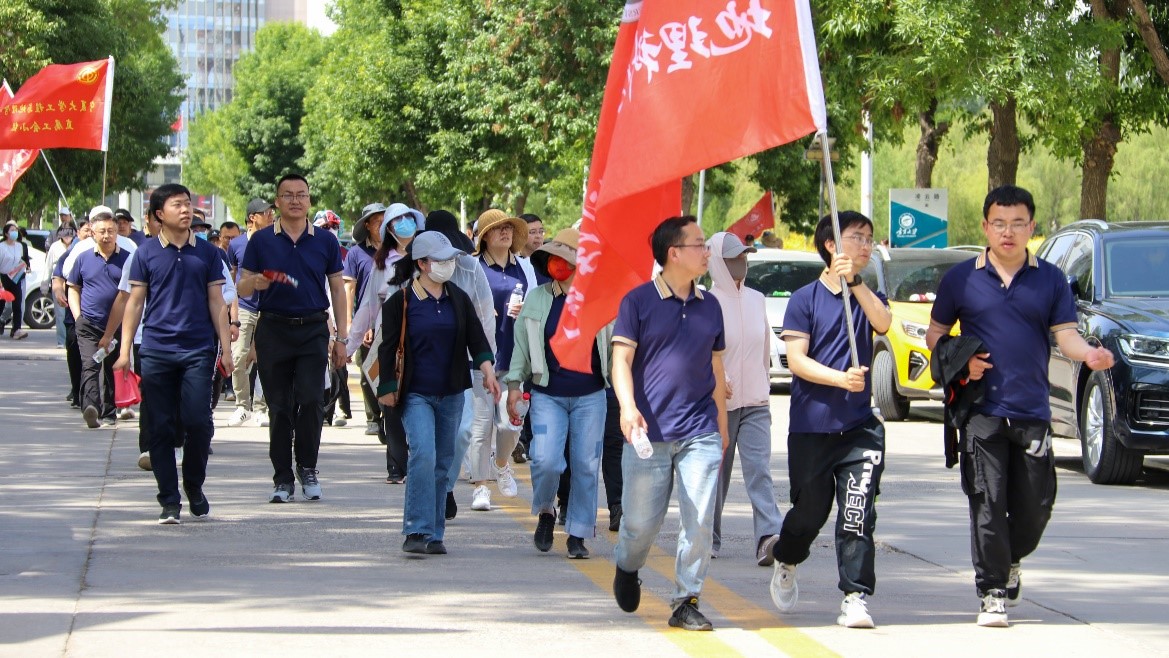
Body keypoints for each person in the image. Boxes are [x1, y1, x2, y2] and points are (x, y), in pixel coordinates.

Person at [926, 185, 1115, 628]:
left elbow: (1066, 336)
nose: (1007, 232)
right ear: (985, 226)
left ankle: (1010, 559)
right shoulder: (961, 279)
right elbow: (935, 335)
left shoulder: (1050, 279)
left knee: (1035, 507)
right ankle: (992, 591)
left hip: (1032, 410)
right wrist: (961, 361)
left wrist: (1089, 354)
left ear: (1031, 227)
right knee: (987, 502)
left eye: (1017, 224)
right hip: (981, 412)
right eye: (999, 223)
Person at [767, 211, 891, 629]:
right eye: (857, 237)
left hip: (860, 428)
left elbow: (883, 323)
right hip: (813, 427)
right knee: (810, 513)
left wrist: (855, 283)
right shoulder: (804, 299)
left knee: (857, 513)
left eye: (869, 238)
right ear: (831, 245)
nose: (865, 245)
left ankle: (855, 595)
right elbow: (797, 360)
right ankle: (786, 557)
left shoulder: (866, 294)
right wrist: (840, 378)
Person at [610, 215, 729, 632]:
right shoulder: (637, 302)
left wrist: (722, 425)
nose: (707, 251)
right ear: (674, 253)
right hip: (648, 432)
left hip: (700, 430)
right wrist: (627, 408)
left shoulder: (711, 305)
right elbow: (620, 360)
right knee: (641, 525)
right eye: (699, 244)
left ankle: (686, 600)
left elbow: (716, 368)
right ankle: (627, 565)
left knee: (699, 520)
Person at [113, 183, 232, 524]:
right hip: (157, 350)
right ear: (158, 214)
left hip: (198, 349)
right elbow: (135, 303)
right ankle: (168, 499)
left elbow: (217, 302)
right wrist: (124, 350)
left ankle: (194, 485)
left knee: (198, 423)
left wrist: (225, 349)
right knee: (160, 428)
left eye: (188, 204)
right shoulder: (145, 254)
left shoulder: (208, 253)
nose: (185, 210)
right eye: (177, 205)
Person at [377, 231, 500, 555]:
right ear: (422, 264)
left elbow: (477, 338)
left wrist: (488, 370)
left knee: (443, 462)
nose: (449, 265)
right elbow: (387, 348)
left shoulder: (458, 298)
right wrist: (386, 389)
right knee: (424, 455)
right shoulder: (400, 302)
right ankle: (415, 529)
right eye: (441, 260)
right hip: (415, 393)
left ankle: (434, 534)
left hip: (452, 393)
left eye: (451, 260)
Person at [238, 174, 348, 504]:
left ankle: (308, 467)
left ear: (309, 200)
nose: (295, 200)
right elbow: (241, 287)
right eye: (288, 195)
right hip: (273, 329)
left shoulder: (325, 241)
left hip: (313, 329)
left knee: (312, 400)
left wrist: (341, 338)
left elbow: (338, 290)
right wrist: (256, 281)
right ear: (277, 201)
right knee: (280, 406)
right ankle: (283, 477)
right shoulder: (261, 241)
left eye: (301, 195)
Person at [504, 228, 611, 558]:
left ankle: (578, 532)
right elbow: (522, 346)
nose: (558, 264)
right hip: (547, 394)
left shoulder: (600, 299)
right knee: (546, 460)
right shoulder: (537, 298)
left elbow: (618, 345)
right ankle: (546, 510)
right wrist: (513, 386)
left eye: (565, 259)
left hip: (591, 395)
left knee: (586, 465)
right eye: (553, 258)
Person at [705, 232, 783, 564]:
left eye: (744, 256)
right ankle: (707, 537)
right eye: (733, 258)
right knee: (715, 475)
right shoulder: (705, 303)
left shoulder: (757, 299)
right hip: (717, 405)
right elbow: (699, 353)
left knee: (759, 470)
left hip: (755, 403)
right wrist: (717, 380)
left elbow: (764, 350)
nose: (741, 263)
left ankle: (769, 537)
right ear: (716, 262)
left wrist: (764, 388)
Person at [421, 210, 495, 521]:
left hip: (465, 362)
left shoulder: (471, 267)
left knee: (463, 431)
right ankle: (433, 491)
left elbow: (485, 315)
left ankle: (446, 485)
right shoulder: (412, 269)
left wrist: (486, 362)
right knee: (427, 438)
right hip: (424, 365)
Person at [348, 202, 425, 483]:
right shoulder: (381, 264)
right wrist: (348, 345)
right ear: (389, 229)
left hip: (423, 341)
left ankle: (419, 459)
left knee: (418, 401)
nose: (404, 224)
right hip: (389, 341)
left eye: (408, 218)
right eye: (397, 220)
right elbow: (368, 308)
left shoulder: (426, 259)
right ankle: (396, 465)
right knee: (390, 401)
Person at [466, 209, 536, 511]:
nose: (505, 232)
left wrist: (527, 310)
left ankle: (502, 463)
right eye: (497, 229)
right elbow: (462, 303)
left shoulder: (525, 267)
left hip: (514, 357)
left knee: (511, 424)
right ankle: (481, 487)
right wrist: (480, 312)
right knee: (481, 427)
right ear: (484, 237)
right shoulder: (473, 268)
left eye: (508, 228)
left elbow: (537, 304)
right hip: (481, 357)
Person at [66, 208, 133, 429]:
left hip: (118, 325)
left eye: (111, 231)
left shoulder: (128, 259)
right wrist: (78, 316)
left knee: (113, 368)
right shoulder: (83, 258)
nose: (107, 235)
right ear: (93, 233)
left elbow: (131, 295)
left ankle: (110, 412)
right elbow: (73, 288)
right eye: (102, 231)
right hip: (88, 323)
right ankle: (91, 408)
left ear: (117, 233)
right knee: (90, 365)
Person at [226, 198, 274, 428]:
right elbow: (232, 279)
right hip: (244, 307)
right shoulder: (236, 244)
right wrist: (232, 314)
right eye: (266, 213)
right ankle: (242, 406)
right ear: (253, 217)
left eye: (272, 212)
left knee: (265, 360)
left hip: (269, 308)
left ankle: (261, 408)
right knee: (238, 357)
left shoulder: (275, 241)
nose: (271, 216)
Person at [344, 203, 386, 438]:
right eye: (377, 221)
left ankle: (389, 414)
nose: (382, 225)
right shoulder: (356, 253)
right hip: (365, 318)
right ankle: (373, 417)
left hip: (391, 319)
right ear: (367, 225)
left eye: (385, 220)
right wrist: (351, 324)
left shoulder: (397, 250)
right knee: (368, 368)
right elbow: (349, 289)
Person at [44, 225, 76, 347]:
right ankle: (62, 340)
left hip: (74, 283)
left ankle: (73, 339)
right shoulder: (55, 247)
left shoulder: (77, 245)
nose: (67, 236)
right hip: (58, 282)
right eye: (64, 233)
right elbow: (48, 266)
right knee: (60, 313)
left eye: (70, 233)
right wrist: (45, 284)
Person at [0, 220, 30, 340]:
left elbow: (23, 260)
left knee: (17, 304)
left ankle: (16, 329)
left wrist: (24, 266)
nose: (15, 232)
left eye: (16, 230)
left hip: (16, 278)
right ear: (6, 233)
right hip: (3, 277)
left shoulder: (20, 246)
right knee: (1, 304)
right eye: (12, 230)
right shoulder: (1, 246)